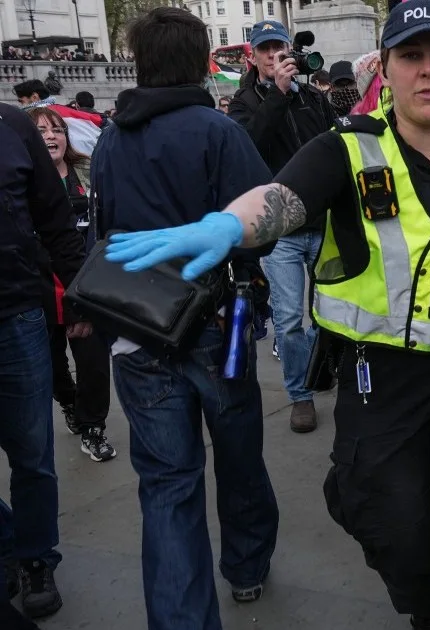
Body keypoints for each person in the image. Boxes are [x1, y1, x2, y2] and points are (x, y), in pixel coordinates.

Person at [103, 2, 430, 627]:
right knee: (394, 533)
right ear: (389, 67)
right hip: (381, 381)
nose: (427, 71)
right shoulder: (346, 147)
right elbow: (282, 199)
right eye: (411, 57)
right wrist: (226, 224)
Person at [90, 8, 280, 628]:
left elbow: (104, 232)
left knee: (167, 487)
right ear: (203, 61)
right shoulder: (216, 131)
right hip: (214, 323)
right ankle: (247, 565)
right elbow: (259, 233)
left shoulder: (112, 138)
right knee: (239, 454)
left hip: (138, 326)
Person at [0, 94, 90, 623]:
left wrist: (79, 293)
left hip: (16, 317)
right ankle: (11, 538)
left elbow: (55, 220)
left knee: (32, 455)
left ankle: (36, 557)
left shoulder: (12, 124)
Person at [228, 19, 339, 433]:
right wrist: (277, 94)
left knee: (332, 311)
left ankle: (326, 372)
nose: (276, 55)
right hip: (280, 232)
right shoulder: (243, 103)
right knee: (290, 319)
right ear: (253, 57)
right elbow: (250, 145)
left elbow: (331, 147)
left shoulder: (310, 96)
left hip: (321, 220)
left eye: (280, 47)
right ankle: (300, 395)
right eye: (267, 49)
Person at [27, 106, 116, 462]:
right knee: (52, 367)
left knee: (94, 363)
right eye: (42, 130)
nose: (51, 136)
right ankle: (68, 401)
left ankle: (93, 427)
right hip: (40, 292)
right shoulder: (20, 181)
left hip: (86, 285)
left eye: (57, 129)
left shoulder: (88, 172)